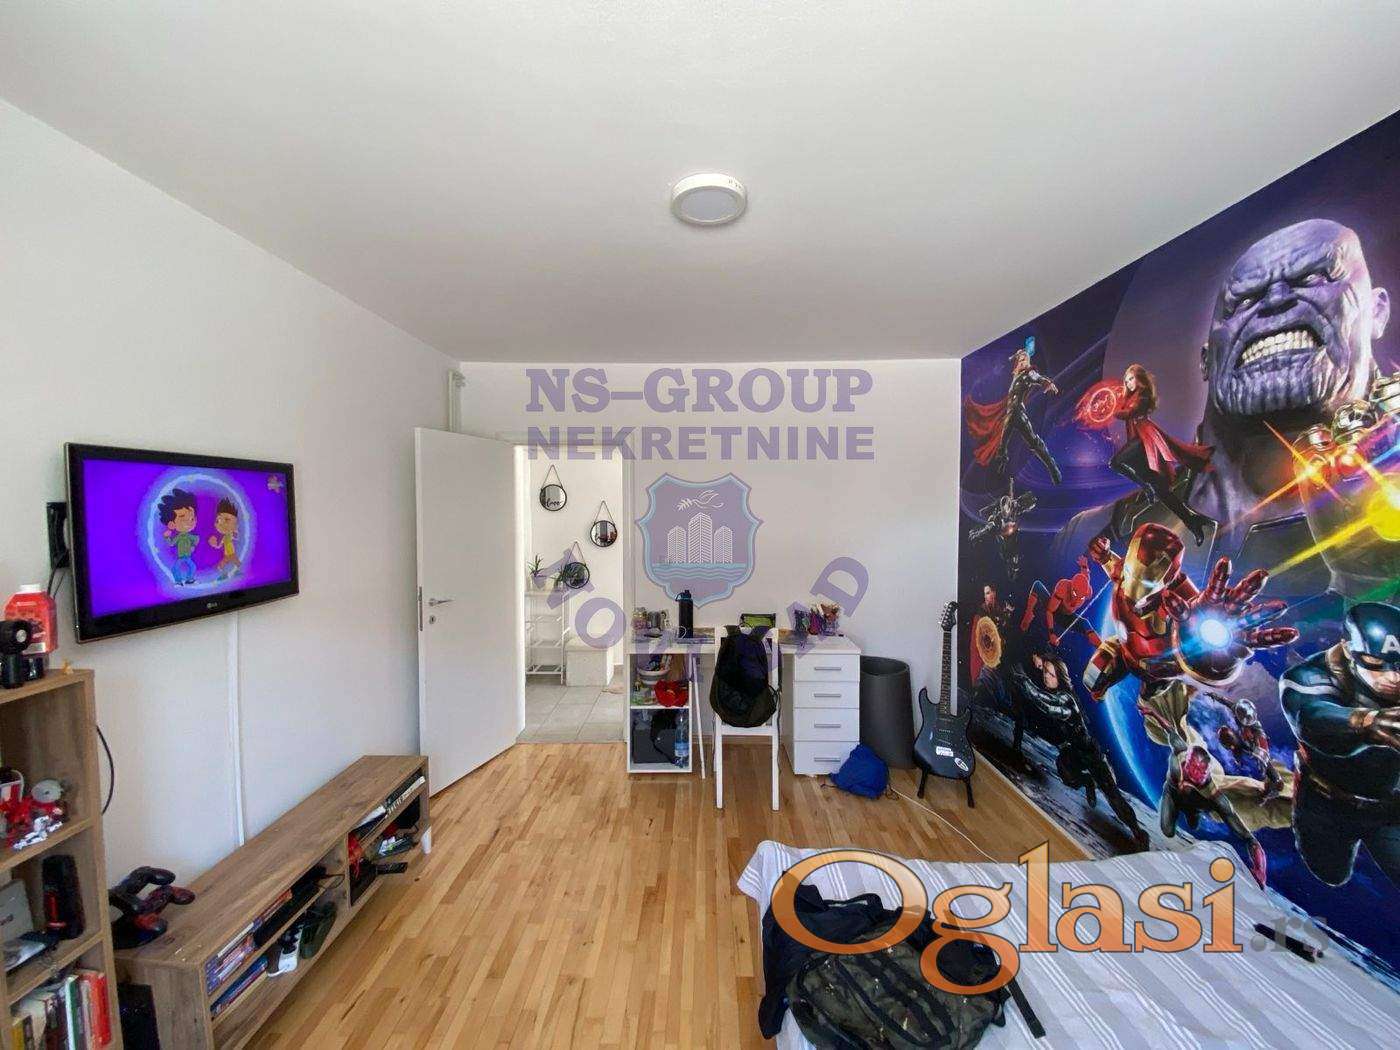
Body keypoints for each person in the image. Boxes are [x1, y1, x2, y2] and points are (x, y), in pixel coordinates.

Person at [1280, 602, 1400, 888]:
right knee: (1330, 873)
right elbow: (1312, 718)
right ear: (1347, 650)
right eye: (1375, 663)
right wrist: (1365, 723)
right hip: (1326, 803)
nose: (1393, 676)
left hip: (1389, 808)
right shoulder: (1309, 677)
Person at [1108, 364, 1215, 545]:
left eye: (1131, 378)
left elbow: (1131, 413)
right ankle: (1193, 522)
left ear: (1139, 378)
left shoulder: (1143, 394)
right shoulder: (1129, 397)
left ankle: (1148, 487)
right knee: (1163, 492)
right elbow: (1125, 411)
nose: (1129, 383)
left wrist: (1115, 411)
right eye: (1126, 380)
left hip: (1144, 438)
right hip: (1138, 442)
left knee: (1116, 462)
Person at [964, 337, 1063, 484]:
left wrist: (1046, 382)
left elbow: (1037, 377)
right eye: (1020, 360)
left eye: (1025, 359)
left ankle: (1053, 469)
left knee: (1031, 443)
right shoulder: (1016, 377)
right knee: (1008, 446)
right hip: (1011, 415)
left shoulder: (1028, 374)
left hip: (1017, 414)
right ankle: (999, 473)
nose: (1022, 362)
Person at [158, 488, 199, 586]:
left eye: (192, 519)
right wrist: (166, 537)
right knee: (175, 568)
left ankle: (189, 579)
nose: (189, 523)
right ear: (172, 524)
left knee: (192, 567)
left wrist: (193, 546)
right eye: (183, 519)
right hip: (181, 557)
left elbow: (196, 539)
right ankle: (178, 581)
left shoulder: (189, 536)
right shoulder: (179, 537)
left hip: (187, 557)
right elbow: (171, 543)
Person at [209, 498, 241, 580]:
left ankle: (236, 572)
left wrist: (236, 532)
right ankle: (225, 574)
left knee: (234, 561)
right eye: (218, 520)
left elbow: (236, 538)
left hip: (231, 552)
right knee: (224, 563)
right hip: (227, 552)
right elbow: (220, 545)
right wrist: (215, 545)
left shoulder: (230, 534)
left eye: (227, 520)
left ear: (236, 522)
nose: (222, 524)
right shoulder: (225, 537)